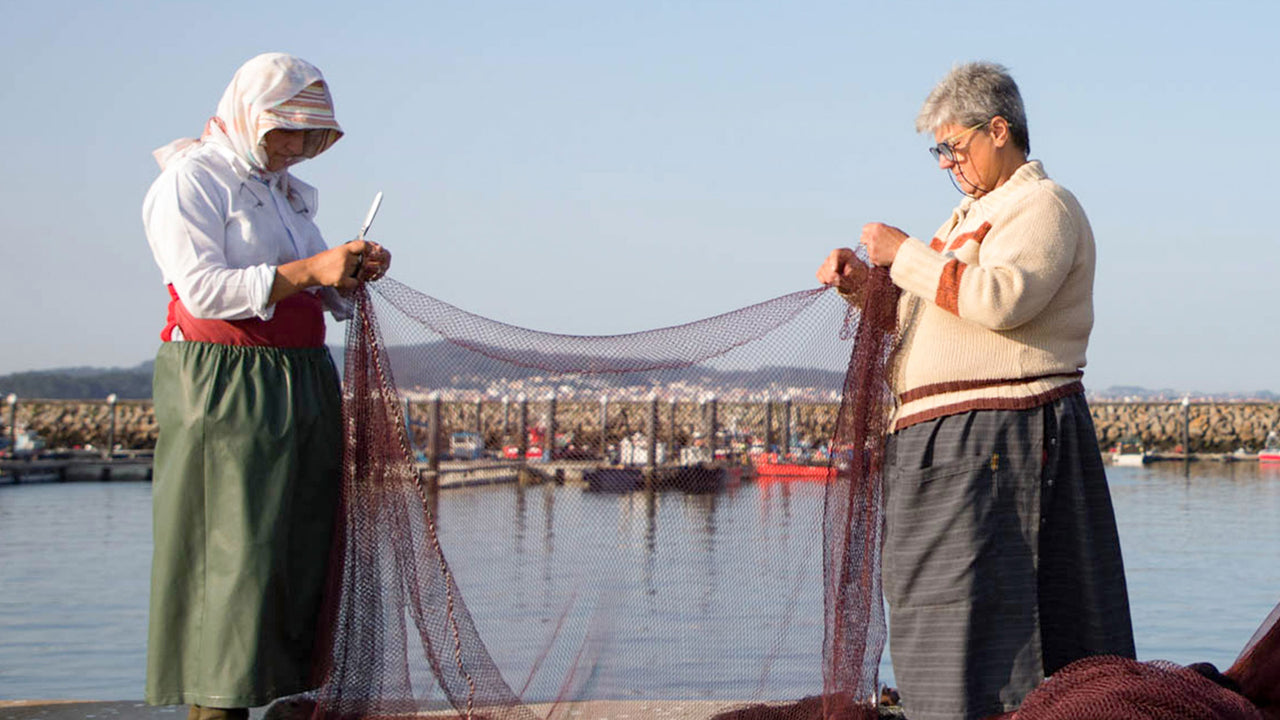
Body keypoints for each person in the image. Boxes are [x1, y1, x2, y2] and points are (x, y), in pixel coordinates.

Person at [817, 61, 1134, 720]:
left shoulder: (1041, 205)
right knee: (936, 615)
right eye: (936, 150)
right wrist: (862, 288)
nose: (942, 163)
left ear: (999, 130)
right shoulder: (966, 218)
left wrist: (902, 253)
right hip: (952, 443)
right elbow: (921, 320)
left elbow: (1001, 299)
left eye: (952, 146)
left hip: (998, 439)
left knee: (989, 617)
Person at [142, 53, 390, 720]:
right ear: (252, 115)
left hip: (299, 380)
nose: (295, 148)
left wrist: (346, 271)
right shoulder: (193, 181)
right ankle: (216, 710)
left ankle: (271, 694)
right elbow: (203, 291)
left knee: (292, 549)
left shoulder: (280, 196)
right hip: (226, 388)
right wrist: (313, 267)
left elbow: (312, 287)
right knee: (233, 556)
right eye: (286, 130)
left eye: (308, 136)